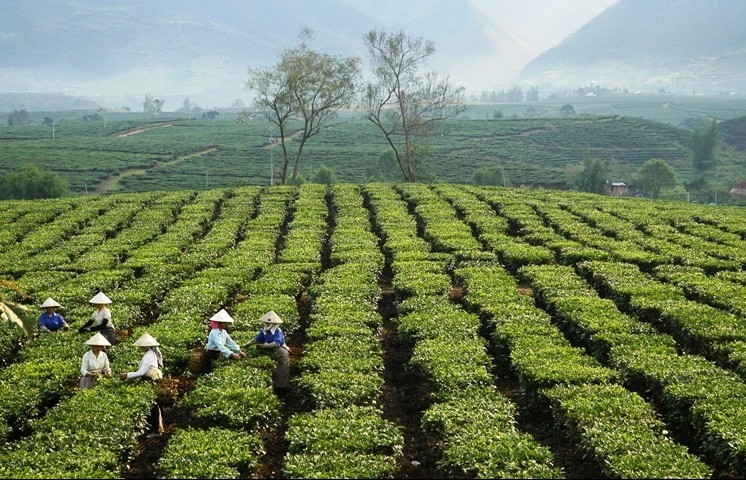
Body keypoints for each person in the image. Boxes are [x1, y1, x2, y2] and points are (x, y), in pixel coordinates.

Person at [119, 332, 164, 438]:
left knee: (152, 405)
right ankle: (156, 428)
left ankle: (156, 429)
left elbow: (141, 372)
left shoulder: (148, 356)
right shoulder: (151, 353)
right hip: (152, 378)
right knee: (154, 405)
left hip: (150, 380)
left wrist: (127, 375)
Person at [244, 310, 290, 393]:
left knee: (282, 369)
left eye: (269, 323)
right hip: (270, 350)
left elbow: (277, 343)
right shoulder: (264, 331)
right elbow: (257, 339)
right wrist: (247, 344)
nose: (267, 324)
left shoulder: (277, 331)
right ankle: (273, 388)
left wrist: (265, 346)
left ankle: (282, 389)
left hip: (280, 351)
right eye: (266, 323)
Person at [200, 308, 246, 374]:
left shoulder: (224, 332)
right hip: (210, 354)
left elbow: (230, 342)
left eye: (227, 323)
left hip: (218, 353)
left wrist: (239, 351)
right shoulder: (214, 332)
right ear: (219, 323)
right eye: (224, 323)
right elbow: (220, 346)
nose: (227, 324)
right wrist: (232, 354)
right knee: (207, 372)